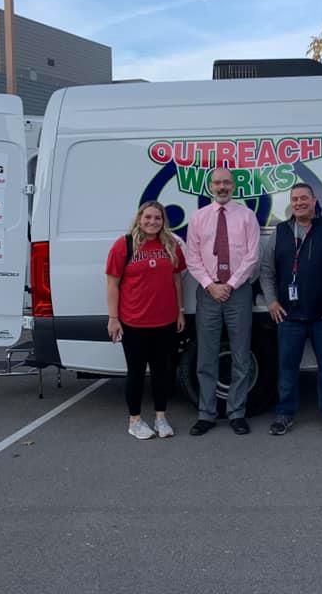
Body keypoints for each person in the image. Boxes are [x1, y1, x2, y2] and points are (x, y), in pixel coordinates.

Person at [260, 182, 322, 436]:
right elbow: (266, 271)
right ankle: (284, 414)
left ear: (314, 201)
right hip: (289, 315)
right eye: (295, 199)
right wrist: (271, 302)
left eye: (304, 198)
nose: (299, 202)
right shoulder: (280, 232)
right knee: (287, 368)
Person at [185, 168, 261, 436]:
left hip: (238, 291)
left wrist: (230, 285)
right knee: (206, 356)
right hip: (208, 293)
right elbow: (192, 257)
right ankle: (206, 414)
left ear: (234, 186)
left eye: (227, 182)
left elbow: (253, 256)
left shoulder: (246, 216)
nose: (222, 187)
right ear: (210, 187)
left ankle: (237, 413)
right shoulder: (198, 218)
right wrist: (211, 285)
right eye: (217, 182)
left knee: (241, 355)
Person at [105, 201, 187, 440]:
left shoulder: (170, 244)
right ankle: (135, 421)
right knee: (137, 373)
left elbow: (177, 279)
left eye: (157, 218)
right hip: (133, 322)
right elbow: (112, 283)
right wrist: (113, 318)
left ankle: (161, 417)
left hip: (165, 322)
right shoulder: (124, 245)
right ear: (139, 218)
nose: (152, 222)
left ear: (163, 221)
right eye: (148, 217)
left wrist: (180, 311)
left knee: (163, 372)